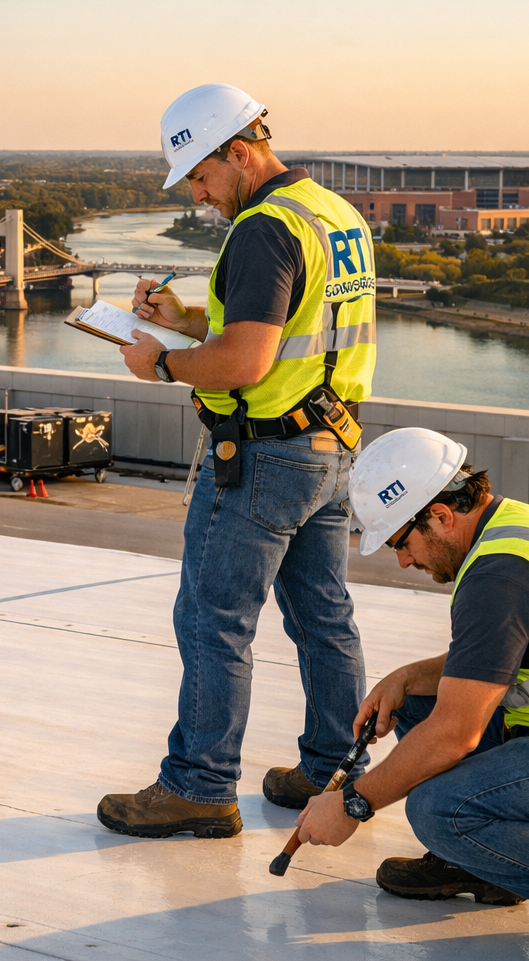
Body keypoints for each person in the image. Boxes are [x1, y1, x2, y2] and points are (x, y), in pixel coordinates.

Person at [97, 82, 377, 839]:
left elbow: (247, 362)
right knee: (324, 618)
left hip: (263, 456)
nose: (198, 193)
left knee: (213, 619)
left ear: (240, 151)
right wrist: (186, 319)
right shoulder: (335, 214)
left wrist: (161, 363)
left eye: (200, 174)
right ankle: (332, 770)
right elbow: (289, 327)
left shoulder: (262, 228)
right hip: (331, 446)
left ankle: (199, 784)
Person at [296, 427, 529, 961]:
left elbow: (455, 735)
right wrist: (408, 678)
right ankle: (483, 864)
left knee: (439, 809)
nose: (404, 560)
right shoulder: (522, 527)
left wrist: (353, 804)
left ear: (442, 515)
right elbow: (505, 656)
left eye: (403, 541)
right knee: (421, 702)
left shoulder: (500, 576)